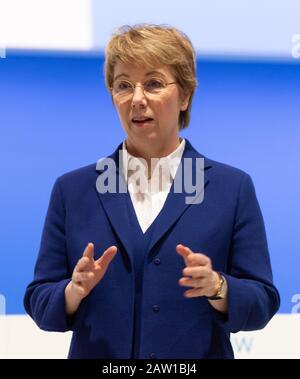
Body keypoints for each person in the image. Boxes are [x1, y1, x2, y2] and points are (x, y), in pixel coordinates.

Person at [24, 24, 280, 359]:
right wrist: (73, 291)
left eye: (154, 83)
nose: (137, 99)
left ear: (185, 95)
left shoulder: (232, 188)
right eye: (124, 86)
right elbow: (40, 300)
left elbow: (262, 301)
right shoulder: (72, 190)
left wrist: (218, 287)